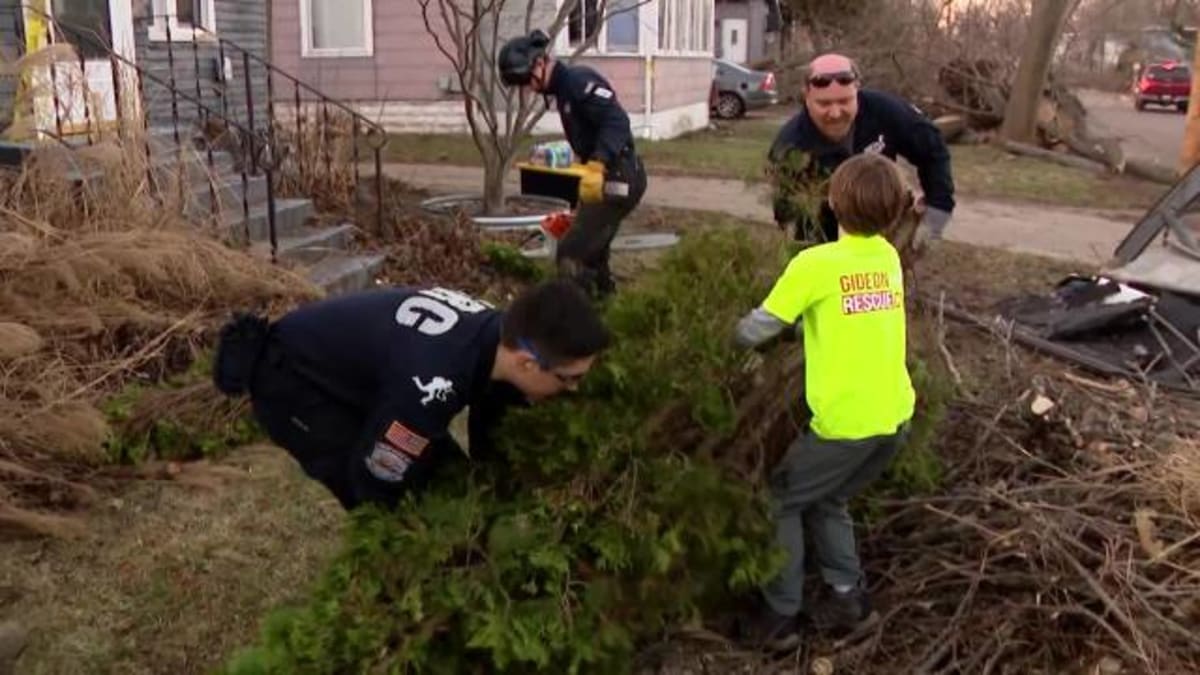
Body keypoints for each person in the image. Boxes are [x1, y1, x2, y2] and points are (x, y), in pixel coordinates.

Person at [212, 280, 610, 510]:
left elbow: (494, 410)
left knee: (444, 474)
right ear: (528, 363)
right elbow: (379, 472)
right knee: (387, 487)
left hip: (373, 371)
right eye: (568, 379)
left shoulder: (497, 336)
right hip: (296, 385)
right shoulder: (432, 386)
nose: (572, 391)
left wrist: (496, 487)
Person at [732, 154, 916, 651]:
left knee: (780, 500)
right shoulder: (887, 258)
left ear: (831, 202)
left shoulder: (813, 264)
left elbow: (758, 328)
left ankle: (780, 615)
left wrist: (721, 340)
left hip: (845, 425)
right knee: (829, 497)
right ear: (896, 211)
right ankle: (846, 597)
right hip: (895, 417)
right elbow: (848, 310)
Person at [498, 29, 647, 299]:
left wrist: (597, 164)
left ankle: (575, 319)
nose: (529, 88)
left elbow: (616, 122)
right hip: (606, 175)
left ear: (540, 63)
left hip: (619, 176)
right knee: (594, 250)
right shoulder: (565, 91)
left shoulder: (578, 82)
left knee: (571, 253)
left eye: (527, 81)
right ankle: (605, 305)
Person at [769, 53, 955, 250]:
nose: (835, 113)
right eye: (824, 104)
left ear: (857, 89)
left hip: (888, 223)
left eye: (844, 101)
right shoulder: (790, 147)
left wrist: (937, 212)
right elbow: (788, 213)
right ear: (806, 96)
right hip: (827, 237)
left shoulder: (886, 111)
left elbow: (933, 149)